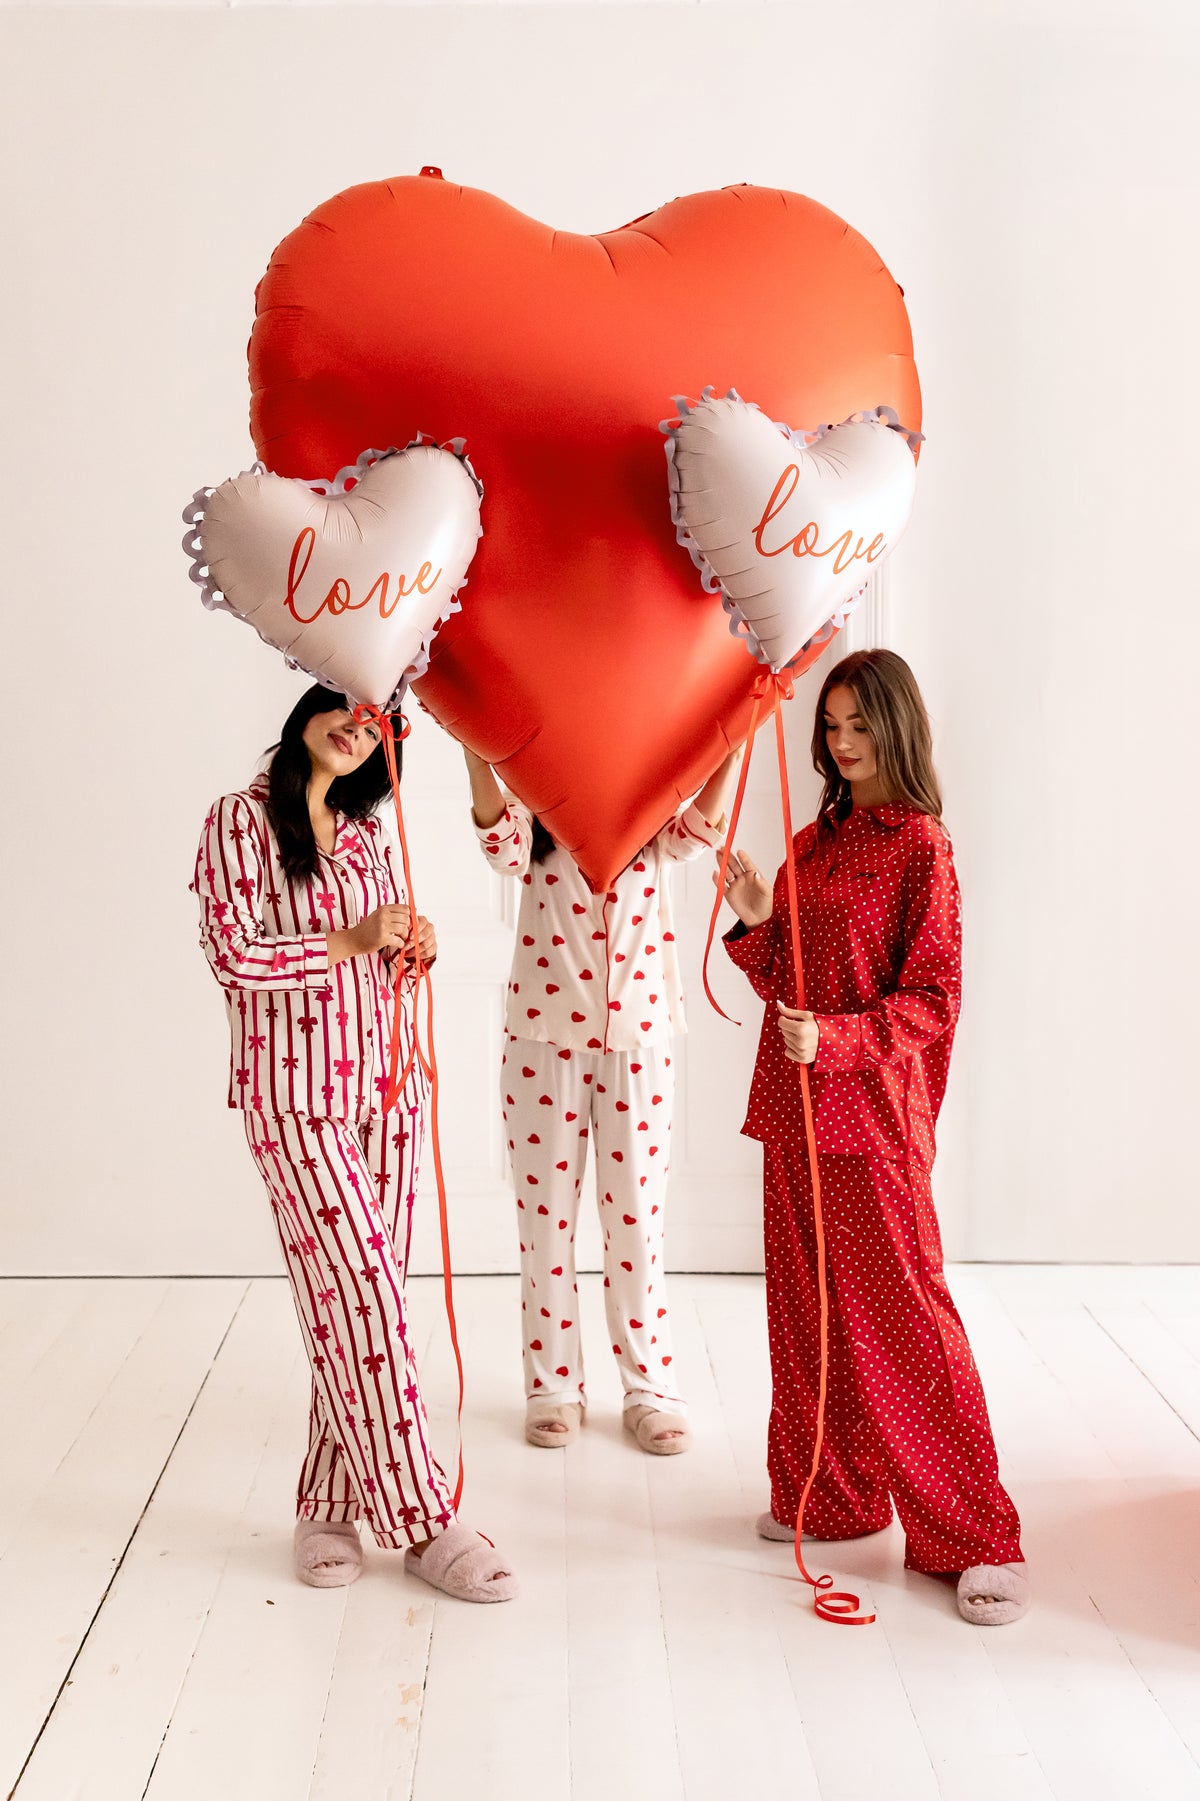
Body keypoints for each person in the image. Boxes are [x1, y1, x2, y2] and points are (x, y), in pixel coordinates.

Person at [718, 649, 1029, 1626]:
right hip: (793, 1113)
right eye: (832, 728)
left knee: (906, 1324)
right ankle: (837, 1497)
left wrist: (844, 1037)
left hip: (872, 1121)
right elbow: (790, 978)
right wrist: (760, 920)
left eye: (859, 726)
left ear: (897, 728)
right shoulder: (811, 846)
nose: (842, 744)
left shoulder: (921, 848)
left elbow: (934, 996)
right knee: (807, 1322)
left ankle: (975, 1536)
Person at [192, 684, 517, 1604]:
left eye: (375, 720)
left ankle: (329, 1504)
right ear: (303, 714)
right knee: (365, 1296)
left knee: (356, 1306)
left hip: (390, 1091)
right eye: (340, 706)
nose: (355, 724)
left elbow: (377, 949)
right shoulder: (239, 821)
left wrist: (408, 944)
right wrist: (348, 937)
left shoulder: (368, 833)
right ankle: (423, 1518)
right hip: (296, 1102)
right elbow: (233, 955)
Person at [464, 746, 740, 1453]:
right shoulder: (536, 820)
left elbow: (704, 826)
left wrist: (738, 732)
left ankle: (650, 1385)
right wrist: (473, 740)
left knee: (636, 1224)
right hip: (541, 1036)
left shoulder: (648, 817)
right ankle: (552, 1384)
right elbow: (499, 844)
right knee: (545, 1226)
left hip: (641, 1035)